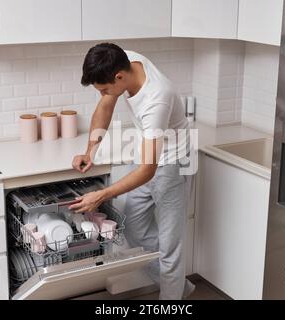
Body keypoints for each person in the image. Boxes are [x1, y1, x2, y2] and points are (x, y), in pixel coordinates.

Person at [68, 43, 195, 300]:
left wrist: (102, 195)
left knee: (171, 248)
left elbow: (149, 170)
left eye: (104, 88)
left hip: (173, 165)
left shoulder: (156, 99)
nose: (104, 93)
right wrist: (91, 149)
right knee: (132, 227)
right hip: (147, 156)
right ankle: (179, 286)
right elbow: (106, 105)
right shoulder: (122, 59)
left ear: (119, 77)